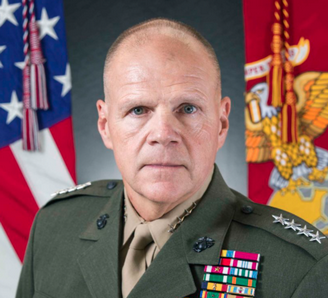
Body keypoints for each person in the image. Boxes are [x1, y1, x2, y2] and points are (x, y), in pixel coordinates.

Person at [16, 18, 328, 298]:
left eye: (188, 109)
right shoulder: (55, 227)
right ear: (105, 125)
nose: (163, 133)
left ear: (221, 123)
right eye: (138, 110)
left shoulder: (298, 268)